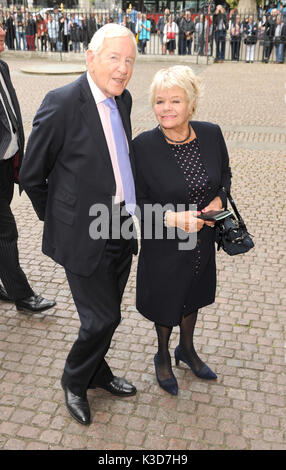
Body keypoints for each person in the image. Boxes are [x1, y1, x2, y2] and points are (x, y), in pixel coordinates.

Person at [19, 23, 138, 426]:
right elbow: (32, 175)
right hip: (83, 234)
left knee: (111, 313)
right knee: (100, 318)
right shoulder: (63, 102)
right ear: (90, 57)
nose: (122, 69)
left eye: (129, 60)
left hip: (120, 225)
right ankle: (74, 379)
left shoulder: (123, 101)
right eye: (114, 58)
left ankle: (96, 370)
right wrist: (61, 220)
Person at [133, 66, 231, 395]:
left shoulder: (211, 133)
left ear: (191, 103)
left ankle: (186, 349)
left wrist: (219, 197)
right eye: (160, 101)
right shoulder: (143, 146)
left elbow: (225, 175)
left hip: (202, 239)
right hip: (165, 243)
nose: (167, 108)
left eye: (176, 100)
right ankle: (162, 353)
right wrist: (175, 219)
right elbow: (135, 204)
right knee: (166, 300)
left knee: (194, 296)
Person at [0, 24, 56, 314]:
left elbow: (11, 116)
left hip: (7, 166)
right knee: (5, 232)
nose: (1, 31)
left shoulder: (3, 67)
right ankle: (22, 295)